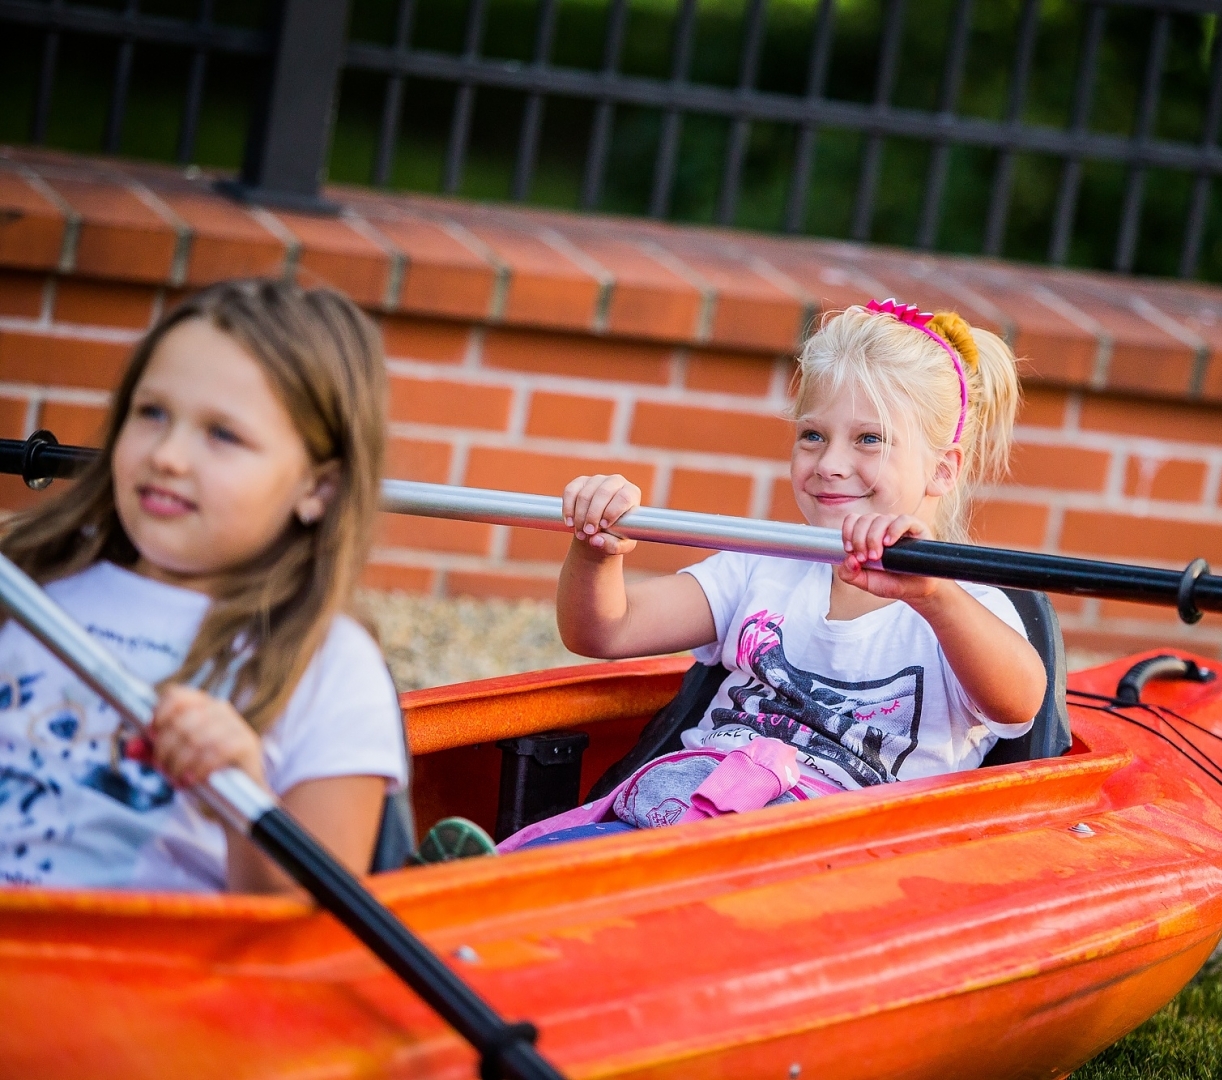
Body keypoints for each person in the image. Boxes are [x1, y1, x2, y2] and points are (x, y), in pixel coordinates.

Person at [476, 299, 1047, 853]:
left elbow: (1019, 705)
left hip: (821, 863)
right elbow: (605, 631)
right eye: (812, 435)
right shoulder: (763, 568)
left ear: (943, 469)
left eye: (868, 439)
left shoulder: (963, 600)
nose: (828, 463)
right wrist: (598, 550)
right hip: (676, 813)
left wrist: (936, 597)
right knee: (569, 859)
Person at [0, 279, 408, 893]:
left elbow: (313, 929)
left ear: (317, 489)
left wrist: (244, 799)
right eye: (152, 413)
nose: (167, 454)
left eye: (223, 434)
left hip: (148, 978)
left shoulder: (333, 666)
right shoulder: (30, 582)